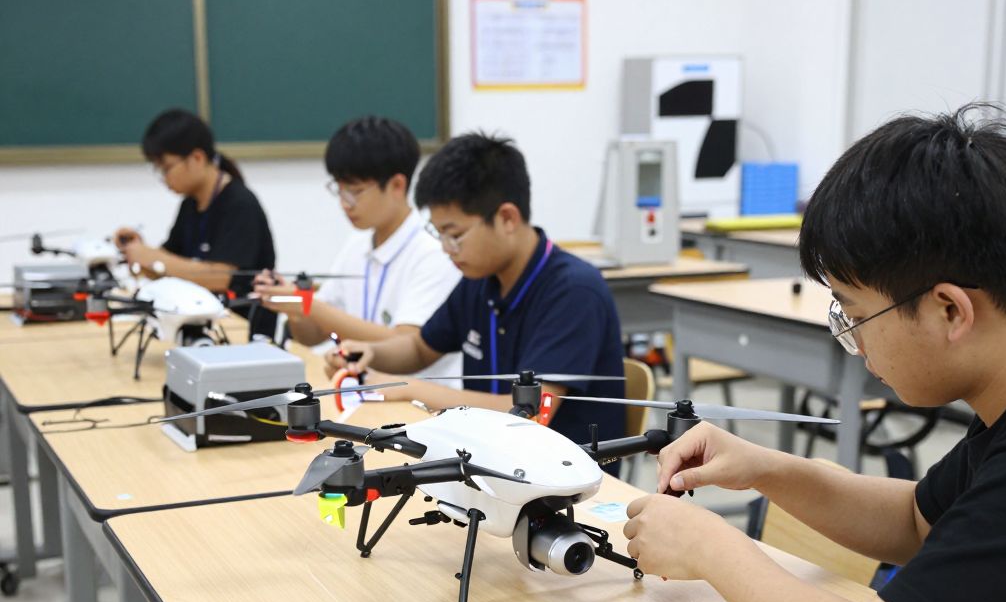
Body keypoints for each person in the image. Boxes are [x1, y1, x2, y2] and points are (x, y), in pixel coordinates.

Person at [622, 105, 1006, 602]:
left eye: (856, 314)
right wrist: (765, 469)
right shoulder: (1005, 405)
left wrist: (710, 545)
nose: (857, 345)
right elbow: (918, 521)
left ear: (950, 311)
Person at [337, 132, 626, 459]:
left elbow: (528, 416)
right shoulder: (481, 277)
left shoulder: (573, 291)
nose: (446, 249)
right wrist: (370, 353)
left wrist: (411, 389)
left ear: (506, 218)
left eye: (455, 235)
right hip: (488, 460)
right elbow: (420, 347)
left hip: (560, 481)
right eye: (440, 234)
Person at [252, 115, 461, 378]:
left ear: (397, 185)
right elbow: (312, 335)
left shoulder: (434, 252)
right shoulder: (358, 243)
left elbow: (405, 342)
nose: (344, 203)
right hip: (359, 391)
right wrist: (291, 303)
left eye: (355, 191)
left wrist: (307, 304)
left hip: (415, 403)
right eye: (338, 190)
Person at [115, 109, 276, 297]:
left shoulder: (240, 204)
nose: (164, 179)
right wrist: (137, 253)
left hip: (240, 322)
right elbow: (168, 268)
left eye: (166, 168)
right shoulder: (190, 204)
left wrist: (152, 258)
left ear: (197, 158)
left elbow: (222, 277)